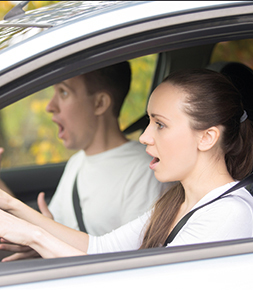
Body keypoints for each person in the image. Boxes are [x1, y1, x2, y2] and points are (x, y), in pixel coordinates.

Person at [0, 68, 253, 259]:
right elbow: (99, 249)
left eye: (160, 124)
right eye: (149, 122)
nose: (144, 137)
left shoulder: (228, 215)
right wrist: (11, 205)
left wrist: (34, 236)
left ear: (206, 137)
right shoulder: (176, 202)